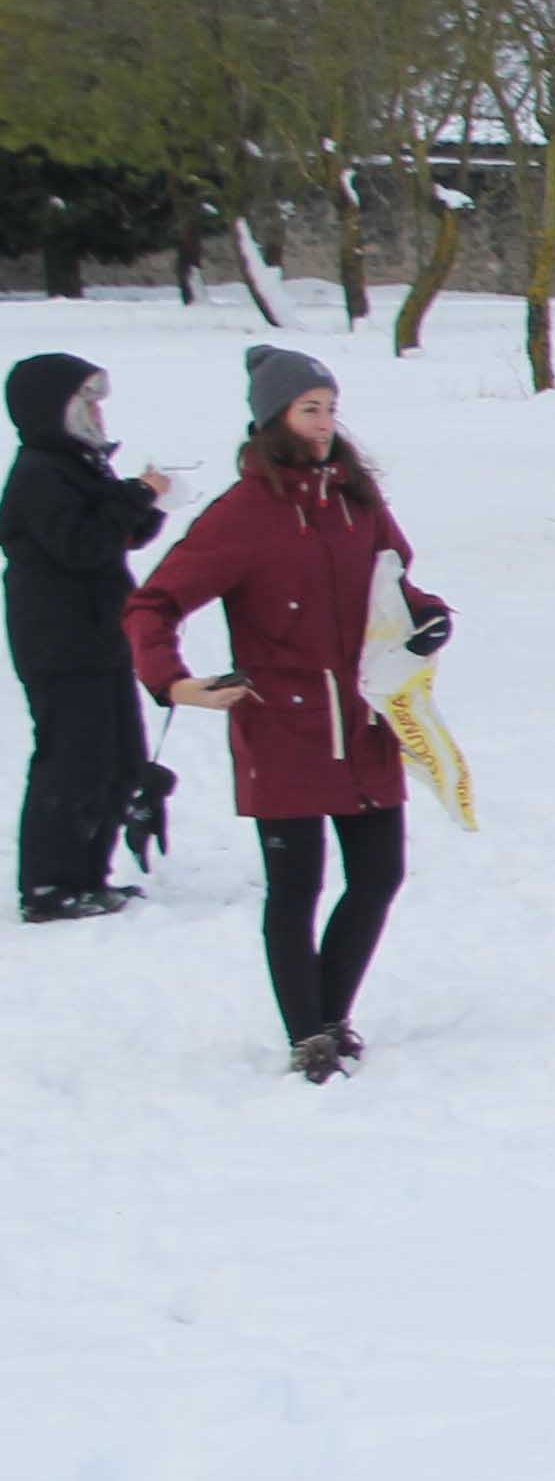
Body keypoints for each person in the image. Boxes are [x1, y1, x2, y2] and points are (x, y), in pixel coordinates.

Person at [126, 347, 451, 1082]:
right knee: (296, 889)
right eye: (310, 410)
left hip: (366, 720)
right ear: (273, 418)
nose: (325, 423)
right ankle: (309, 1035)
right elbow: (152, 604)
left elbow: (397, 585)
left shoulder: (357, 501)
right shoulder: (242, 515)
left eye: (331, 408)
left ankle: (331, 1015)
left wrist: (428, 617)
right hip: (283, 727)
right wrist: (173, 683)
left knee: (379, 876)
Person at [7, 353, 174, 922]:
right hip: (59, 642)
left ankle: (87, 877)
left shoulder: (77, 465)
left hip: (101, 634)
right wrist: (136, 497)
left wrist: (146, 503)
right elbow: (79, 544)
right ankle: (49, 887)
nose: (99, 414)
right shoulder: (38, 472)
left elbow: (113, 535)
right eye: (87, 403)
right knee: (73, 761)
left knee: (117, 760)